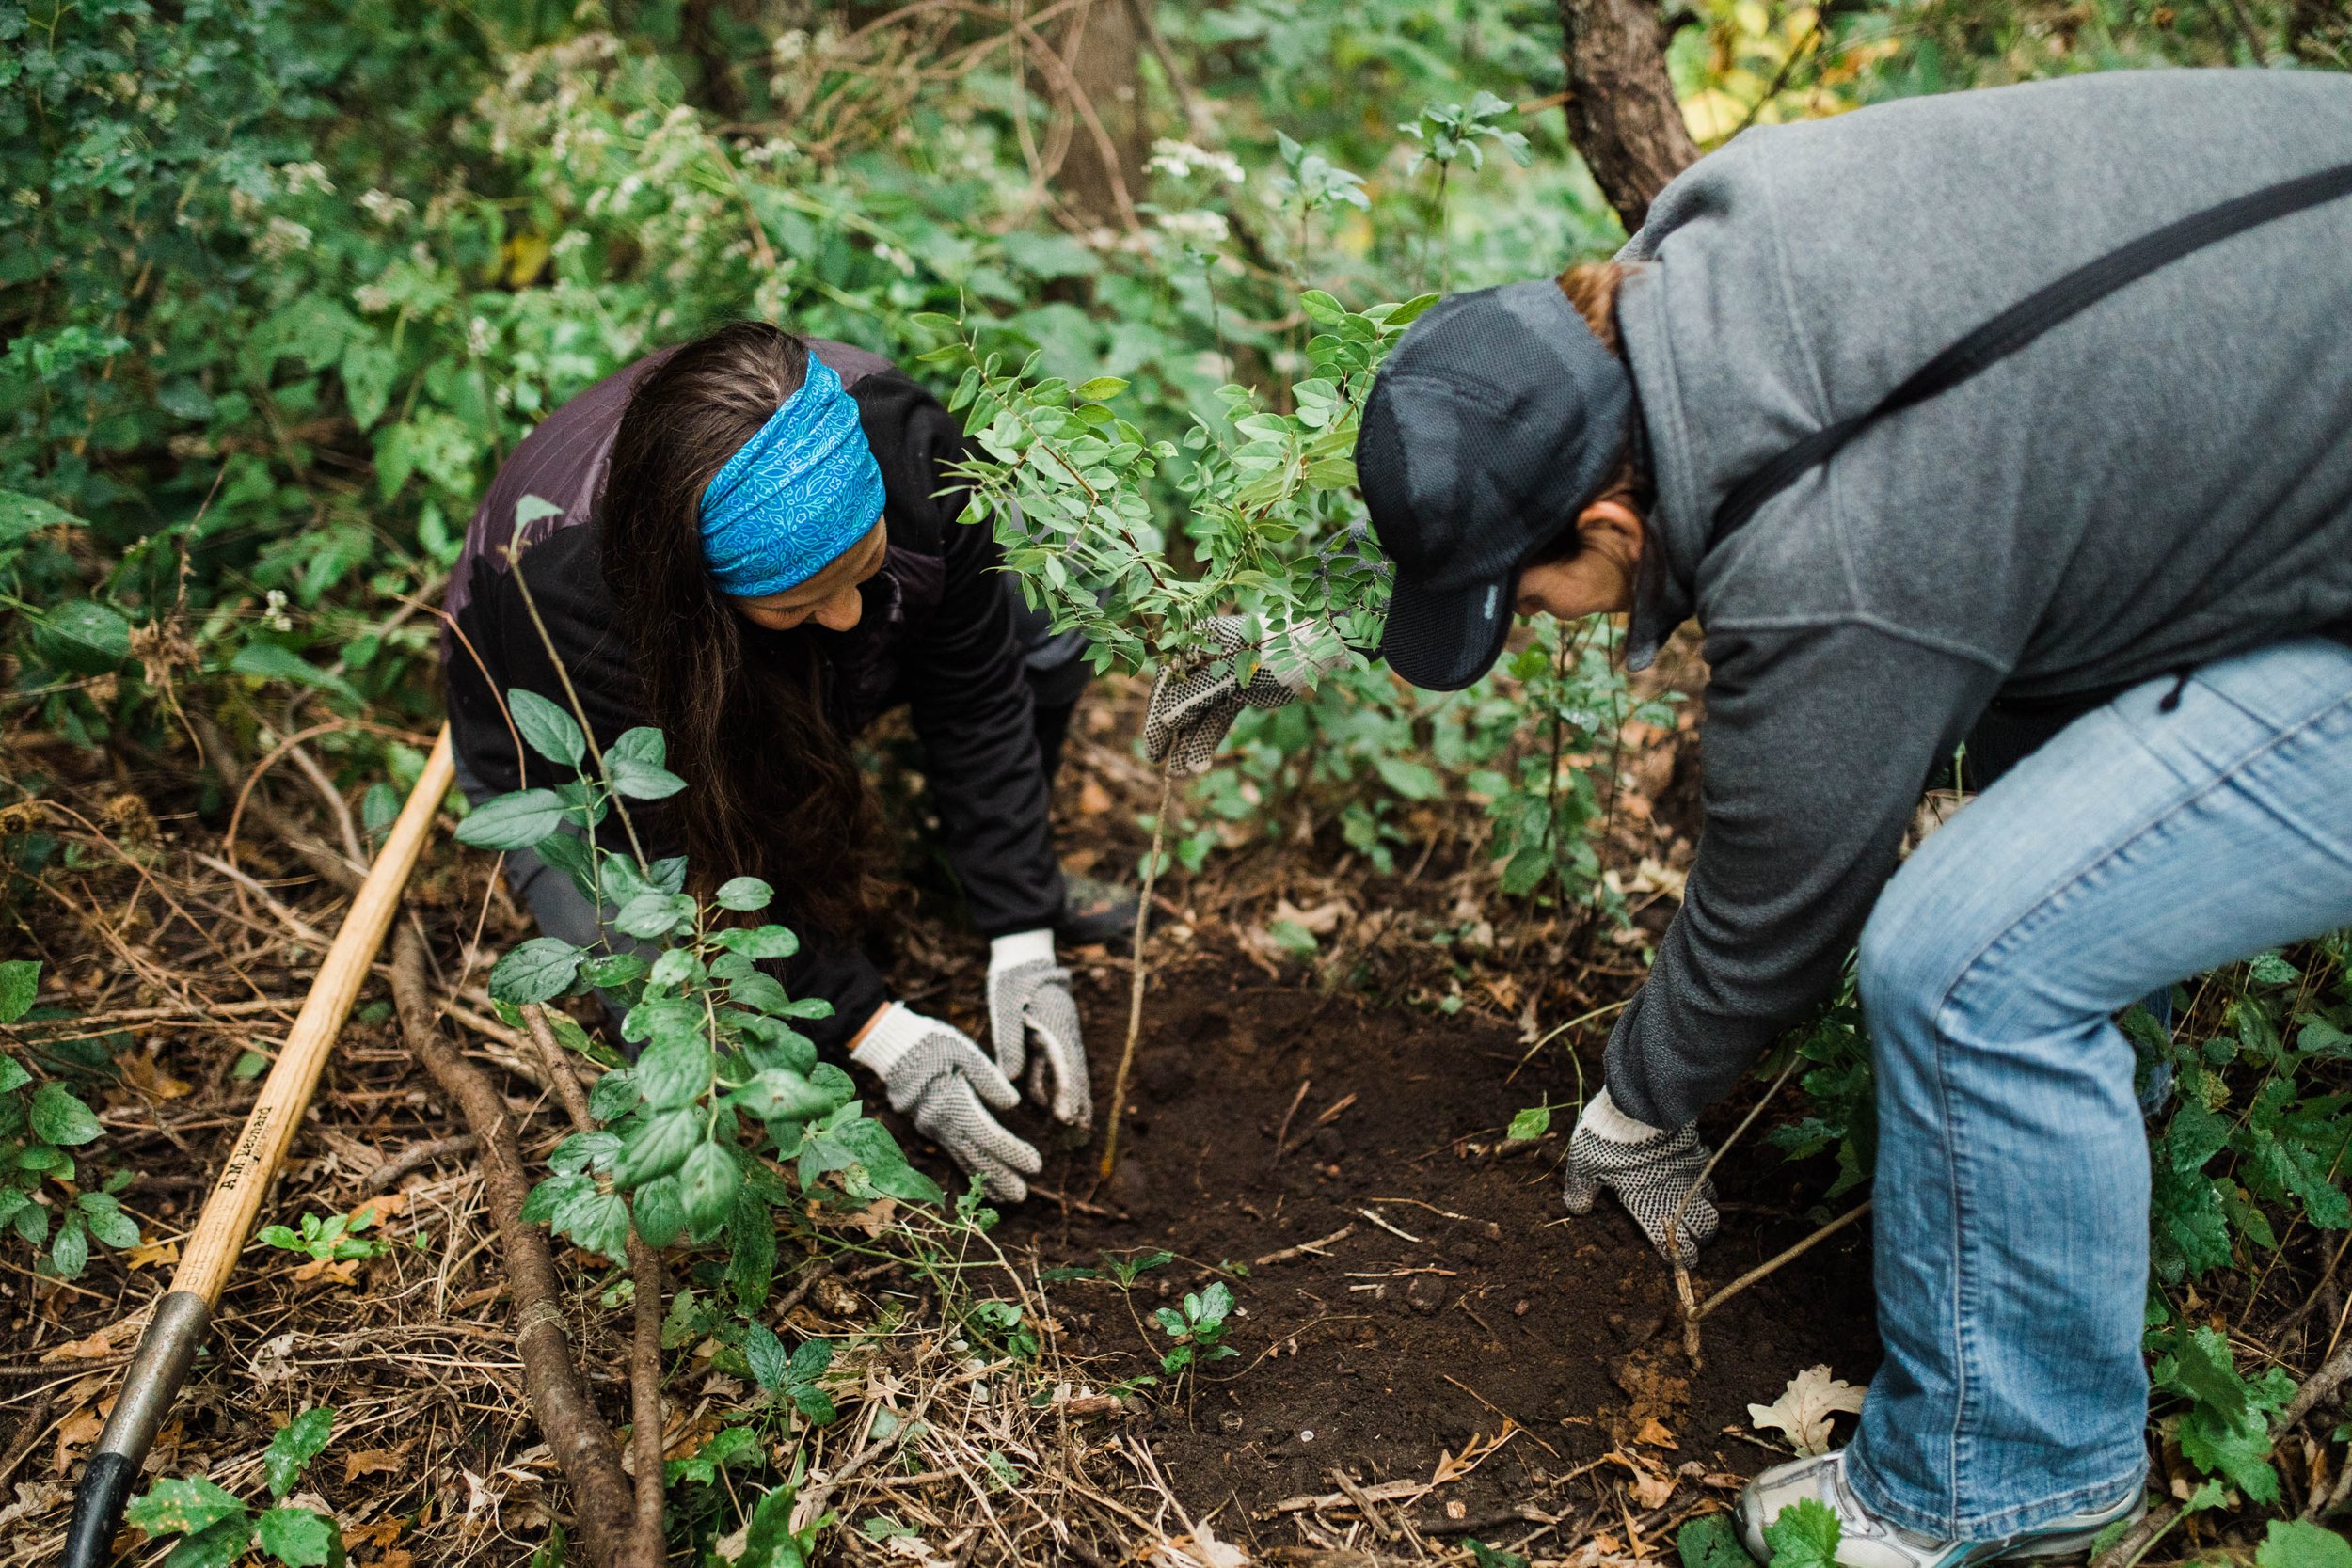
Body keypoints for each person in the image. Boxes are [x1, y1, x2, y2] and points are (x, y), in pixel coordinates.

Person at [1146, 69, 2352, 1568]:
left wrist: (1641, 1095)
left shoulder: (1829, 538)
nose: (1535, 628)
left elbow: (1778, 906)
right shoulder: (1713, 256)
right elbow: (1480, 447)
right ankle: (2081, 1163)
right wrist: (1286, 628)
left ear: (1609, 527)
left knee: (1962, 961)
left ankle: (2013, 1478)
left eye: (1525, 603)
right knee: (2038, 803)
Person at [444, 323, 1135, 1203]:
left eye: (865, 566)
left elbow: (974, 689)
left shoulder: (913, 450)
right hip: (583, 753)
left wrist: (1021, 928)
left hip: (779, 661)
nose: (848, 614)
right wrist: (879, 1030)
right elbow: (676, 841)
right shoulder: (574, 594)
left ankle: (979, 876)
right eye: (805, 600)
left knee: (1049, 625)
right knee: (670, 1001)